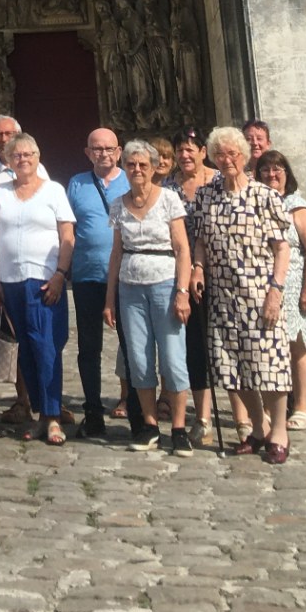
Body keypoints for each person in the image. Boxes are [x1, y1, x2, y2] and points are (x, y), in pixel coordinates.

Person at [188, 126, 293, 465]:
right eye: (220, 154)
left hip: (260, 293)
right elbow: (200, 240)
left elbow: (282, 248)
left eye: (233, 153)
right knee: (232, 366)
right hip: (223, 295)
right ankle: (258, 428)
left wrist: (276, 290)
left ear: (245, 156)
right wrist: (199, 268)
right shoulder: (206, 195)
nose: (227, 159)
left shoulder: (264, 196)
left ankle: (279, 431)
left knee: (269, 363)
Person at [104, 139, 192, 453]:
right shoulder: (119, 204)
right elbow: (116, 254)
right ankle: (150, 425)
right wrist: (109, 299)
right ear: (124, 168)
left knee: (172, 357)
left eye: (143, 164)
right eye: (131, 164)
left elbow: (182, 249)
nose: (137, 170)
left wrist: (182, 292)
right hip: (130, 287)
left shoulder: (168, 199)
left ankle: (179, 428)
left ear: (154, 168)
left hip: (165, 284)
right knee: (139, 360)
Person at [0, 134, 75, 446]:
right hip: (11, 281)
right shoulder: (0, 193)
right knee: (24, 349)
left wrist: (60, 275)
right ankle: (39, 412)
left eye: (28, 154)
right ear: (8, 161)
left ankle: (52, 417)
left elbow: (67, 234)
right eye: (16, 155)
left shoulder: (53, 190)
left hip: (43, 280)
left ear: (38, 157)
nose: (22, 159)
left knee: (46, 347)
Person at [66, 128, 129, 441]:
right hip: (87, 275)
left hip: (126, 276)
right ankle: (92, 411)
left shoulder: (133, 179)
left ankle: (135, 404)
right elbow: (67, 227)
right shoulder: (76, 184)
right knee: (89, 347)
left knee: (132, 344)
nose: (103, 154)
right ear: (87, 152)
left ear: (119, 151)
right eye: (97, 149)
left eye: (109, 148)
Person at [255, 150, 306, 430]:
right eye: (266, 171)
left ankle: (303, 408)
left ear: (286, 174)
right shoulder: (257, 203)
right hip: (263, 286)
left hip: (294, 286)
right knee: (267, 348)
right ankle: (270, 409)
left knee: (297, 346)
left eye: (277, 170)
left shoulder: (298, 207)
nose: (272, 175)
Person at [172, 128, 216, 443]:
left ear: (203, 151)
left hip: (224, 273)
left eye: (191, 149)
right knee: (195, 345)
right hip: (184, 276)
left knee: (230, 343)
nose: (185, 155)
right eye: (180, 150)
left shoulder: (218, 181)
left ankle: (248, 416)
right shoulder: (167, 188)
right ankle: (202, 417)